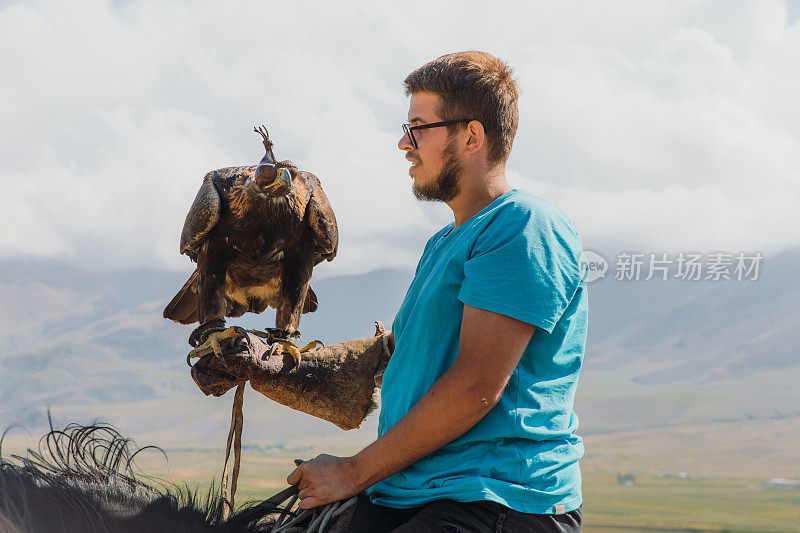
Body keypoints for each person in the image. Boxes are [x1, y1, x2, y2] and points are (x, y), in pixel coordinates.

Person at [287, 51, 586, 532]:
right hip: (408, 493)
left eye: (418, 128)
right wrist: (277, 365)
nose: (403, 143)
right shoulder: (445, 242)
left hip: (495, 501)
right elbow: (410, 357)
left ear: (471, 136)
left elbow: (474, 387)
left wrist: (353, 471)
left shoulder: (523, 226)